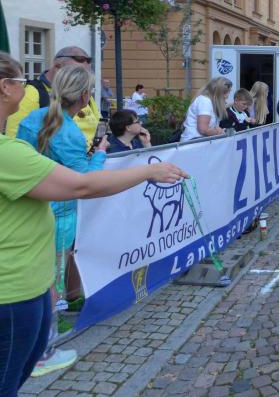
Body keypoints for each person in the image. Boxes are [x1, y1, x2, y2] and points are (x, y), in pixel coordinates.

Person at [0, 52, 188, 393]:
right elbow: (83, 183)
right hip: (20, 280)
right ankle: (49, 345)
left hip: (30, 266)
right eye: (21, 81)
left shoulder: (30, 125)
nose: (26, 87)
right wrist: (141, 168)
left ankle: (50, 336)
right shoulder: (24, 146)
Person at [16, 66, 109, 376]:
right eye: (90, 91)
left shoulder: (33, 118)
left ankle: (32, 348)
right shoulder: (67, 131)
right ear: (83, 96)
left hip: (30, 207)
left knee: (37, 278)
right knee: (51, 280)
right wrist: (100, 154)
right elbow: (84, 181)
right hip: (59, 213)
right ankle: (42, 352)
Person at [4, 46, 100, 148]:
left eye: (85, 76)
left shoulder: (84, 93)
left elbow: (99, 124)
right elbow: (15, 141)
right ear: (57, 67)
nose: (82, 81)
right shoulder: (33, 93)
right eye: (76, 75)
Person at [180, 77, 231, 141]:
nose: (227, 96)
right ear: (219, 93)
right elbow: (203, 130)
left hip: (199, 142)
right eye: (228, 92)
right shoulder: (205, 101)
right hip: (193, 142)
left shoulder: (209, 102)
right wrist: (219, 132)